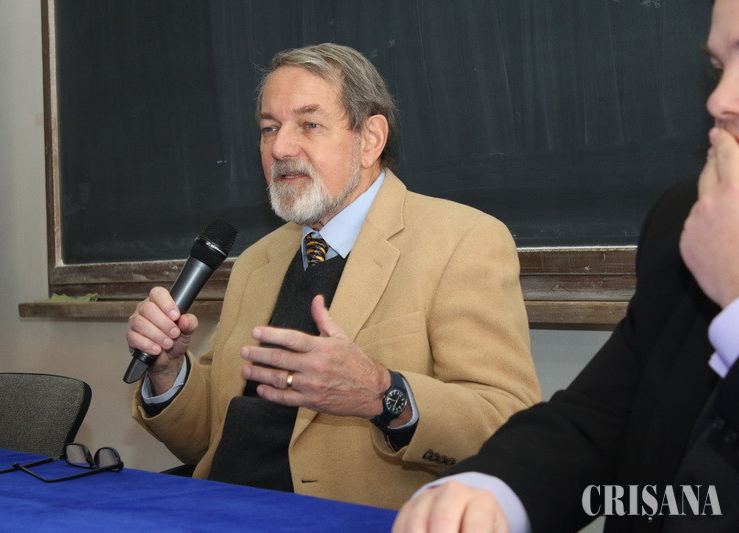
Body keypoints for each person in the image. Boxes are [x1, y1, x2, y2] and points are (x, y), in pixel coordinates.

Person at [126, 43, 540, 509]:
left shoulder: (461, 240)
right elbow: (211, 439)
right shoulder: (258, 260)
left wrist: (384, 393)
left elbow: (507, 425)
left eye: (309, 125)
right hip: (224, 511)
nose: (280, 148)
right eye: (269, 128)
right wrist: (168, 371)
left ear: (370, 139)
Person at [393, 0, 739, 530]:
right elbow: (599, 420)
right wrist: (492, 492)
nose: (718, 100)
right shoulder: (685, 222)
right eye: (718, 68)